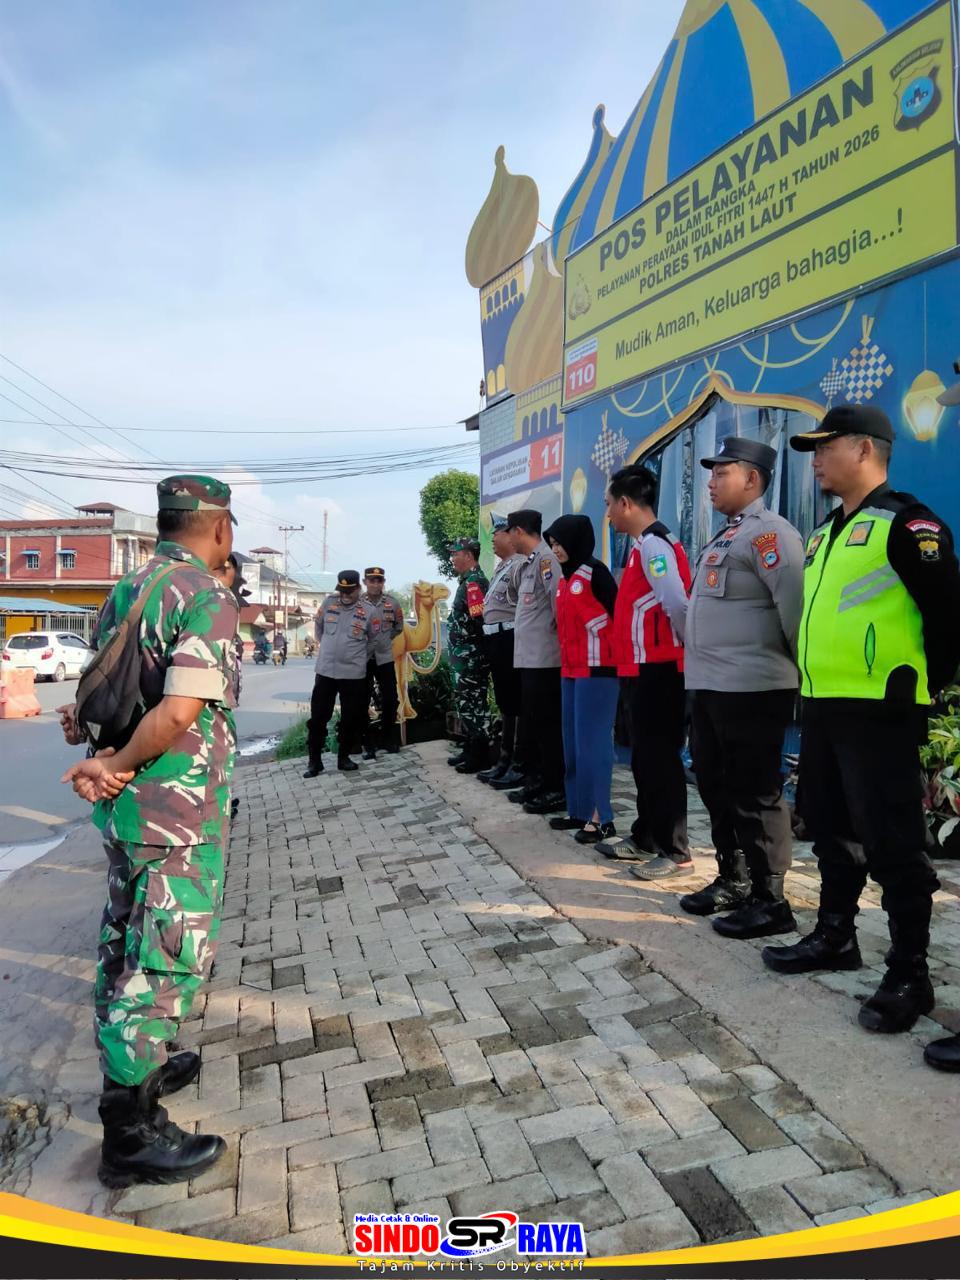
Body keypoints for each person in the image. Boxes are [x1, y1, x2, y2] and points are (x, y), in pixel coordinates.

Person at [763, 405, 960, 1057]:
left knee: (893, 845)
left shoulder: (909, 523)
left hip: (881, 709)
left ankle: (910, 974)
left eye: (826, 446)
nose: (815, 459)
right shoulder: (825, 532)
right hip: (824, 704)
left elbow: (947, 617)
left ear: (865, 449)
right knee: (831, 828)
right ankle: (835, 935)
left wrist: (917, 688)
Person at [59, 475, 239, 1188]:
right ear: (219, 528)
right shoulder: (204, 593)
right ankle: (131, 1134)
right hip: (173, 811)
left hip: (132, 812)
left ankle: (140, 1067)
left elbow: (96, 688)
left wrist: (108, 766)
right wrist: (121, 764)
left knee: (126, 940)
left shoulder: (129, 588)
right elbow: (177, 713)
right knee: (163, 958)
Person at [680, 437, 804, 938]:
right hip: (711, 686)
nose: (710, 482)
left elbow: (795, 613)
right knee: (715, 783)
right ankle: (734, 878)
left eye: (721, 473)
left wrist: (799, 676)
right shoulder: (726, 536)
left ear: (752, 478)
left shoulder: (772, 535)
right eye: (710, 474)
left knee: (756, 792)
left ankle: (771, 900)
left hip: (752, 688)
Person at [599, 465, 692, 875]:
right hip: (639, 667)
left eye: (609, 505)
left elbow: (677, 603)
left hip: (659, 669)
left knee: (660, 758)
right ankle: (646, 836)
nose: (608, 514)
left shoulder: (655, 545)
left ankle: (675, 851)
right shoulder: (642, 546)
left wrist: (685, 650)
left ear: (625, 503)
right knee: (644, 757)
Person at [544, 515, 619, 843]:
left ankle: (602, 818)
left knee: (593, 745)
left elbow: (617, 618)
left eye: (560, 543)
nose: (556, 549)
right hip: (571, 671)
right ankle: (579, 809)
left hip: (598, 670)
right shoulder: (565, 578)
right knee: (573, 745)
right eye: (552, 544)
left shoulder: (595, 573)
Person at [507, 509, 565, 814]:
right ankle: (538, 782)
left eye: (509, 532)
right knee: (534, 726)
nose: (507, 538)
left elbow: (559, 607)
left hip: (545, 661)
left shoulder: (546, 560)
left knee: (548, 728)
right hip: (529, 661)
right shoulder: (529, 564)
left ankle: (554, 787)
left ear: (518, 531)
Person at [304, 570, 375, 776]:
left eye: (349, 591)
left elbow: (373, 641)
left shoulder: (369, 610)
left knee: (350, 717)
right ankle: (314, 761)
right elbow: (318, 627)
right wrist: (326, 646)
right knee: (318, 717)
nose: (345, 595)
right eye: (342, 591)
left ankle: (344, 758)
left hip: (352, 674)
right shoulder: (329, 603)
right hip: (326, 670)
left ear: (358, 588)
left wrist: (356, 657)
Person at [477, 515, 526, 786]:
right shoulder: (502, 567)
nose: (493, 539)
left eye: (497, 533)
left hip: (511, 638)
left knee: (515, 702)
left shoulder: (519, 565)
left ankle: (516, 761)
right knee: (506, 701)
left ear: (510, 535)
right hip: (496, 640)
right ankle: (504, 760)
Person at [446, 536, 491, 773]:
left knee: (474, 704)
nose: (453, 558)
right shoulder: (467, 581)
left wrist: (474, 653)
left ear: (469, 555)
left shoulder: (474, 583)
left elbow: (480, 620)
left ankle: (480, 755)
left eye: (456, 553)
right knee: (465, 704)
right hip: (464, 657)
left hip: (471, 657)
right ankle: (471, 747)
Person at [361, 567, 404, 758]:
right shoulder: (357, 603)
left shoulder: (392, 603)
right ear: (365, 582)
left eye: (379, 581)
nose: (375, 584)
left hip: (384, 658)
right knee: (361, 700)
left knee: (390, 699)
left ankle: (387, 738)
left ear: (383, 583)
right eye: (372, 580)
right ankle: (368, 743)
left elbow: (398, 627)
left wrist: (384, 640)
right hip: (363, 659)